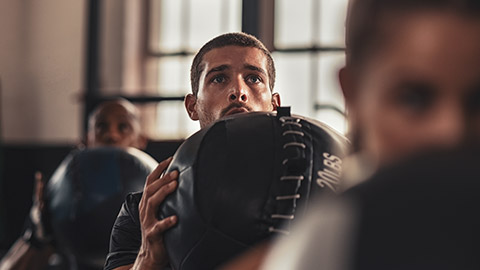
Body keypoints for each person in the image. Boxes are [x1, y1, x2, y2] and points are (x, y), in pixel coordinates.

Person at [259, 0, 480, 268]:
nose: (451, 132)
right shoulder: (327, 245)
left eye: (477, 101)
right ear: (353, 94)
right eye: (413, 100)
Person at [104, 32, 282, 270]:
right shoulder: (147, 210)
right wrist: (147, 260)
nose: (238, 91)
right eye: (219, 79)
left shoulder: (314, 194)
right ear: (192, 106)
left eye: (253, 78)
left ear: (275, 105)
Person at [0, 98, 148, 270]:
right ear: (86, 139)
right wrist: (39, 235)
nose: (111, 135)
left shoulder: (157, 188)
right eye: (101, 127)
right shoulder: (59, 193)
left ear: (140, 140)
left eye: (123, 127)